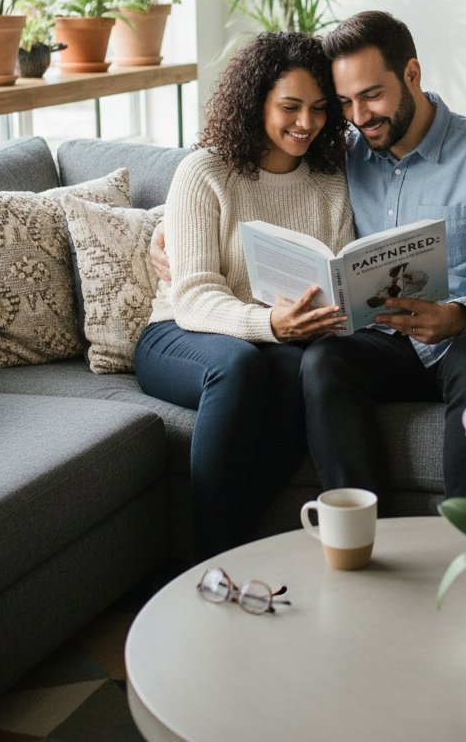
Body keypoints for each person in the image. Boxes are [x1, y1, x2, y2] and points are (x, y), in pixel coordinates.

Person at [300, 10, 466, 513]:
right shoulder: (346, 155)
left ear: (411, 74)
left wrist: (460, 314)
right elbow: (254, 172)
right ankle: (367, 532)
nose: (359, 116)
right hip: (392, 341)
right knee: (324, 362)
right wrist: (163, 229)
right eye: (346, 102)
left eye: (371, 95)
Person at [135, 31, 353, 561]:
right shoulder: (205, 172)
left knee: (292, 375)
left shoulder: (329, 183)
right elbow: (191, 296)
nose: (307, 123)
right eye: (290, 107)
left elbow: (339, 278)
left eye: (320, 109)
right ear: (256, 101)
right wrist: (270, 326)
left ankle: (219, 556)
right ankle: (208, 562)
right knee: (240, 366)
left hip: (276, 346)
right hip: (179, 335)